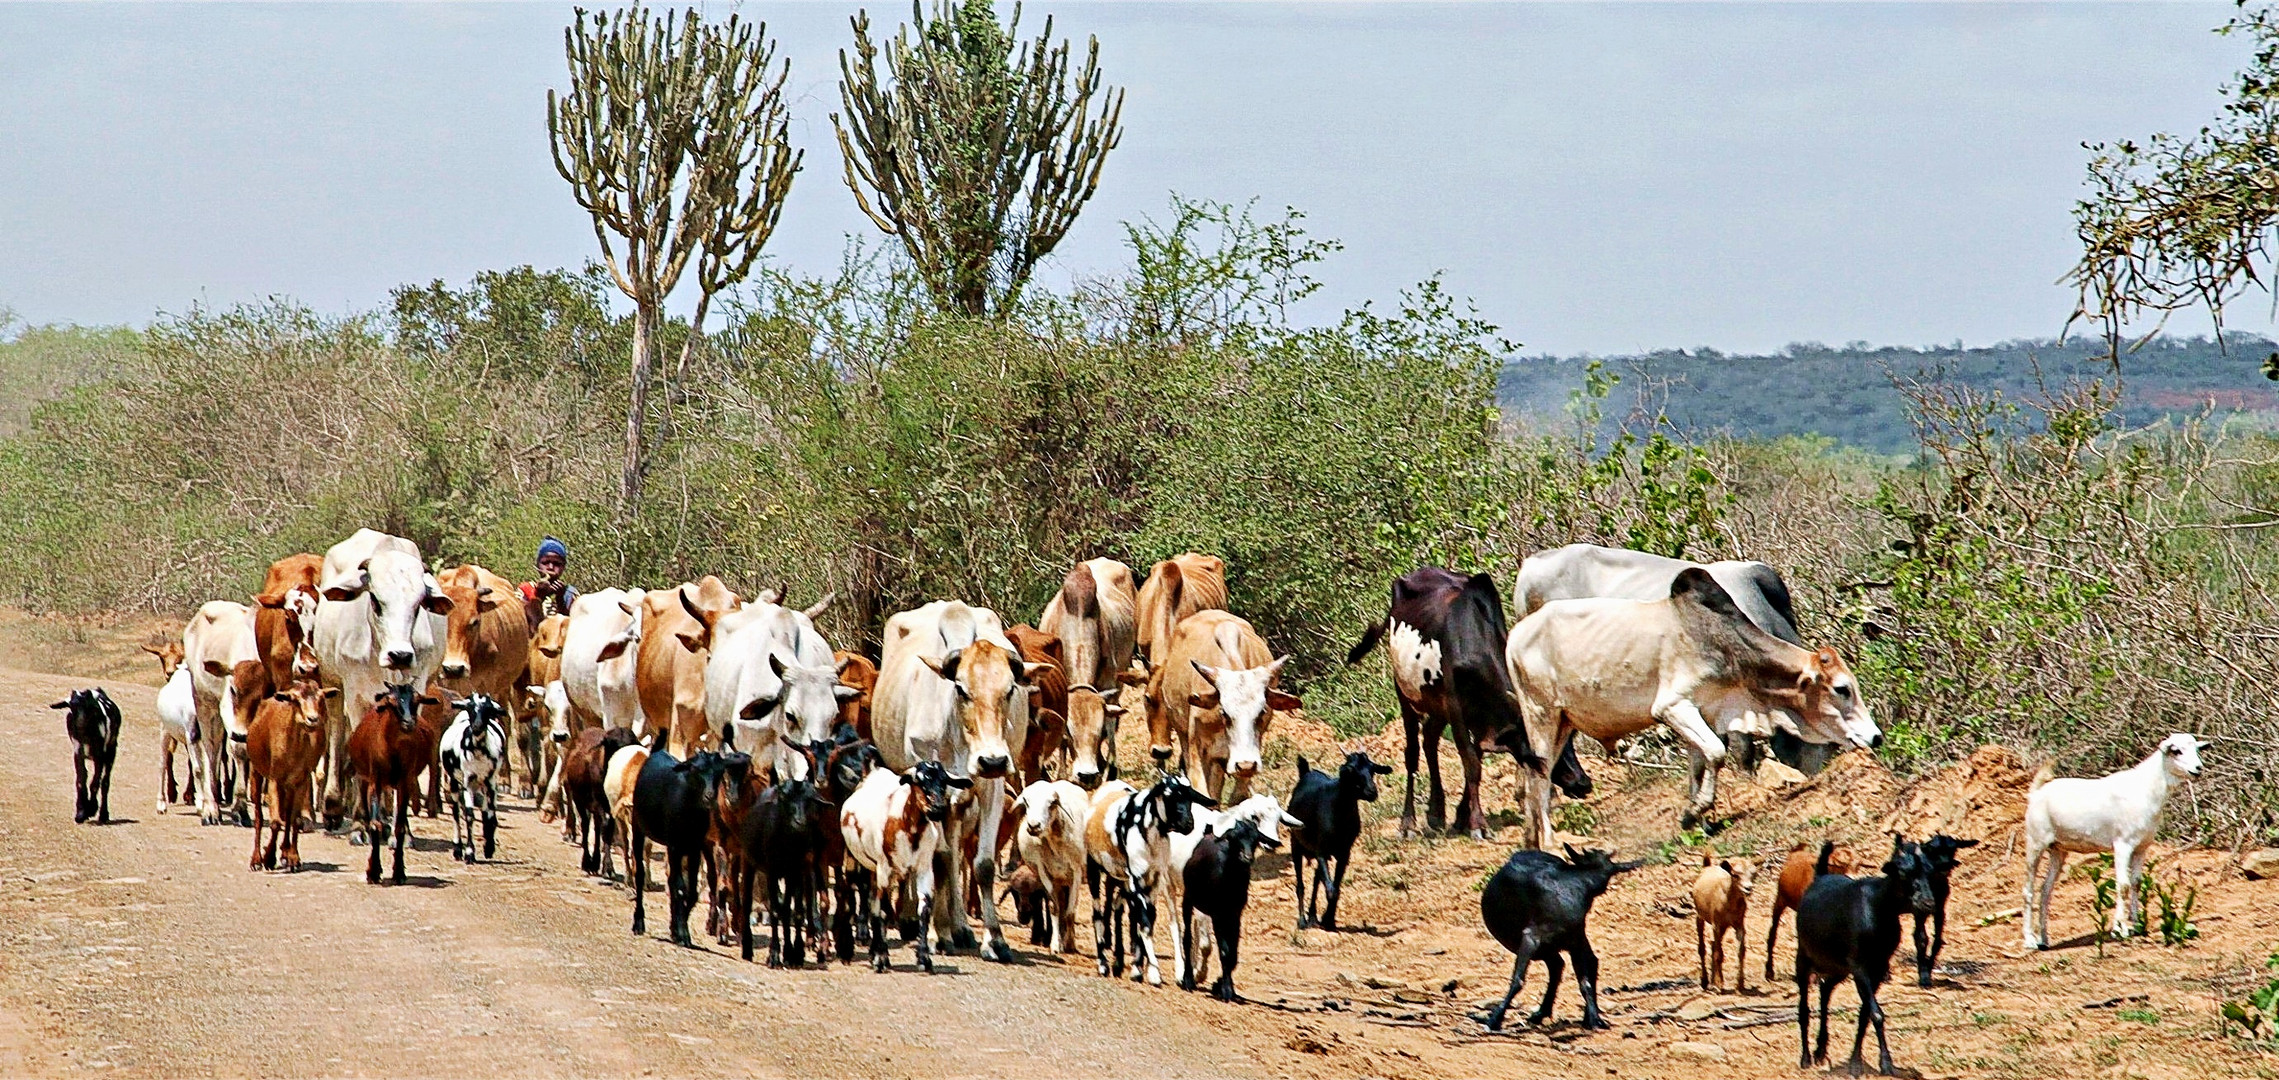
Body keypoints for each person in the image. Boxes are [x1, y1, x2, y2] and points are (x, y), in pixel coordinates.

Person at [519, 536, 580, 634]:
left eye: (556, 564)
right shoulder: (525, 590)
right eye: (545, 562)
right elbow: (519, 623)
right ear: (538, 564)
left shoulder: (571, 594)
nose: (550, 567)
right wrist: (539, 597)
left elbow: (574, 629)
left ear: (563, 567)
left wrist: (560, 600)